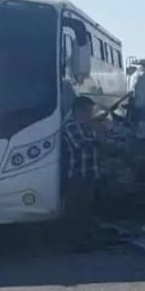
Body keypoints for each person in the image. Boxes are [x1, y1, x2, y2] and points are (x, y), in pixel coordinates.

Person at [62, 96, 102, 252]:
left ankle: (85, 241)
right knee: (77, 213)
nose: (90, 115)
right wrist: (97, 132)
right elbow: (83, 144)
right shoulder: (72, 127)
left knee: (86, 211)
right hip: (78, 177)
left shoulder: (86, 127)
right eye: (88, 112)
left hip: (90, 175)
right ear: (79, 111)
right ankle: (76, 244)